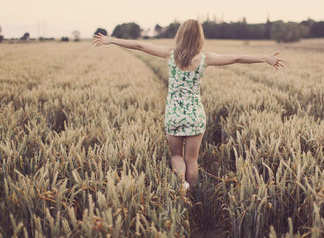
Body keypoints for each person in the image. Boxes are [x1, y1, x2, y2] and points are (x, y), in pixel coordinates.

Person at [92, 19, 284, 191]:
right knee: (192, 160)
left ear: (180, 35)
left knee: (177, 157)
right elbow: (237, 58)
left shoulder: (170, 54)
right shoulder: (204, 59)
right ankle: (194, 198)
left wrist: (112, 40)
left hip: (174, 114)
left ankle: (181, 187)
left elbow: (139, 45)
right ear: (199, 38)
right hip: (195, 115)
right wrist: (264, 58)